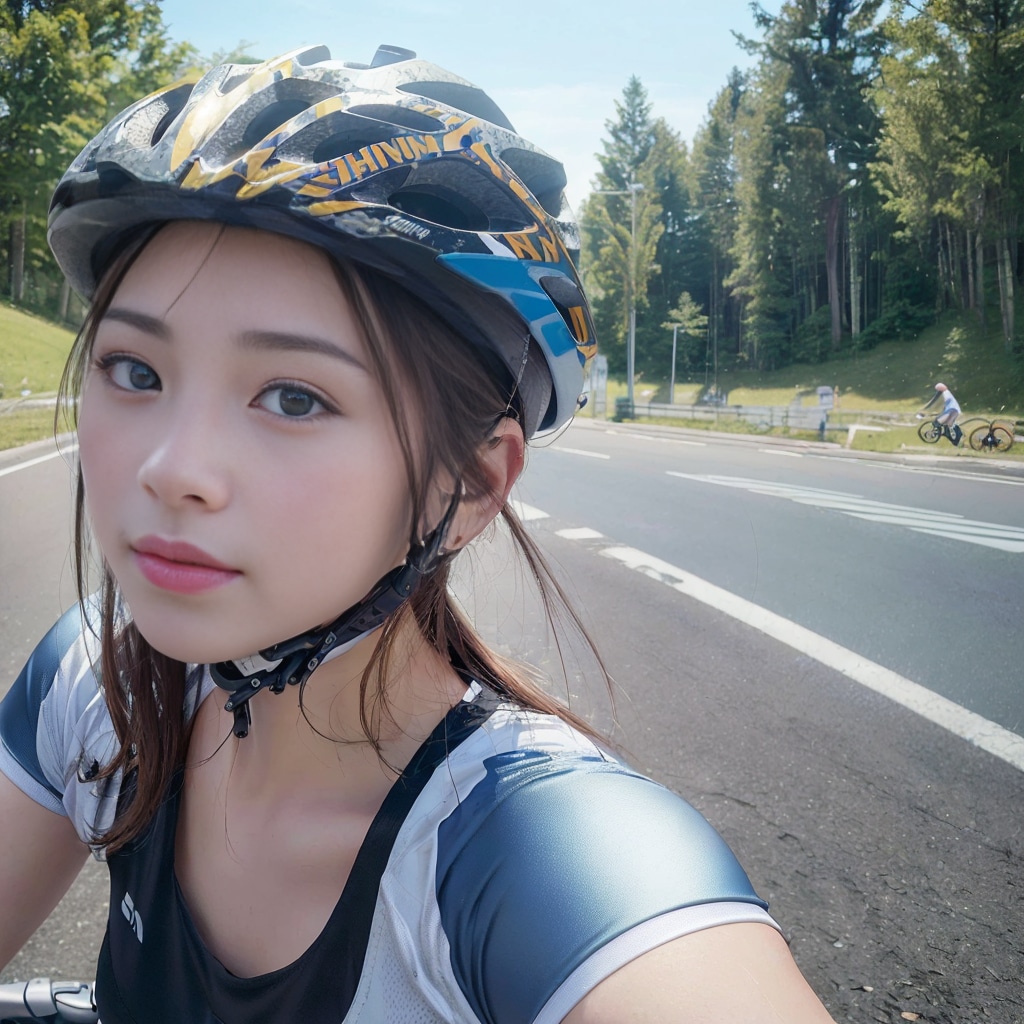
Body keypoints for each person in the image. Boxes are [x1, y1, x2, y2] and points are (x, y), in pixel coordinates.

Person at [0, 45, 836, 1023]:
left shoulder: (538, 854)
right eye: (135, 371)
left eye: (294, 396)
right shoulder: (97, 686)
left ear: (470, 484)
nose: (171, 467)